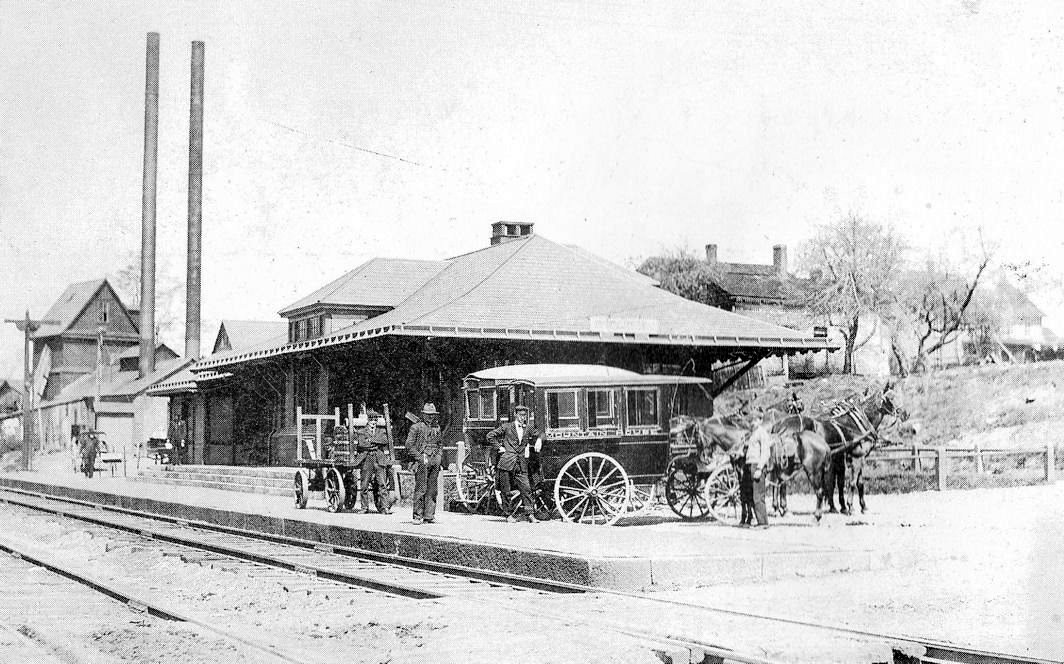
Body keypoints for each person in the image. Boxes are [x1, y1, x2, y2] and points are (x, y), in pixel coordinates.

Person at [487, 405, 539, 523]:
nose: (523, 418)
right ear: (516, 415)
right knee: (506, 490)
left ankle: (530, 514)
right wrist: (499, 447)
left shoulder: (528, 428)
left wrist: (539, 440)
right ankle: (508, 515)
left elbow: (540, 433)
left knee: (526, 488)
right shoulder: (507, 427)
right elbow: (490, 436)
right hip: (507, 462)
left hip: (521, 463)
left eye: (525, 415)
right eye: (521, 415)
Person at [406, 403, 442, 525]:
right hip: (422, 460)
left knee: (432, 489)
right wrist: (420, 458)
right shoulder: (416, 427)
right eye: (428, 415)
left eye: (432, 415)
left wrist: (439, 457)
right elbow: (409, 445)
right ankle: (417, 516)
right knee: (421, 488)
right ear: (423, 415)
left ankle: (429, 515)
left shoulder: (437, 428)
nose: (431, 417)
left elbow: (440, 444)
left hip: (434, 459)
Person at [355, 413, 393, 514]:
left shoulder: (382, 431)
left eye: (375, 420)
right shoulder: (362, 431)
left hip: (379, 459)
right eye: (371, 420)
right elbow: (362, 444)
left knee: (382, 484)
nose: (373, 422)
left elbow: (384, 441)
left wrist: (371, 440)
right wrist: (376, 443)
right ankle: (364, 507)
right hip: (367, 459)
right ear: (368, 420)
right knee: (364, 485)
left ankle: (385, 507)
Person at [743, 409, 774, 529]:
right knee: (752, 494)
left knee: (758, 495)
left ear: (761, 420)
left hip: (757, 465)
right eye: (751, 420)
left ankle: (763, 523)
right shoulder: (753, 433)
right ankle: (757, 520)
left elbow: (766, 453)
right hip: (751, 464)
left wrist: (760, 468)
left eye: (755, 420)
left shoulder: (762, 434)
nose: (752, 422)